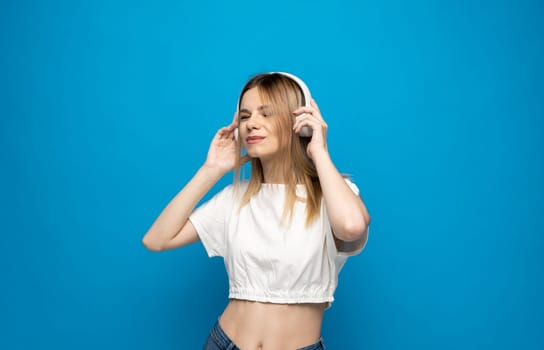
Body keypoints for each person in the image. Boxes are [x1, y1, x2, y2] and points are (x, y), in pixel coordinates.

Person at [142, 72, 371, 349]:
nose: (252, 124)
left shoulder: (334, 193)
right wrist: (211, 170)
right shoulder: (235, 198)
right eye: (245, 116)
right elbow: (156, 239)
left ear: (300, 122)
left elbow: (351, 226)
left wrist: (319, 151)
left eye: (267, 114)